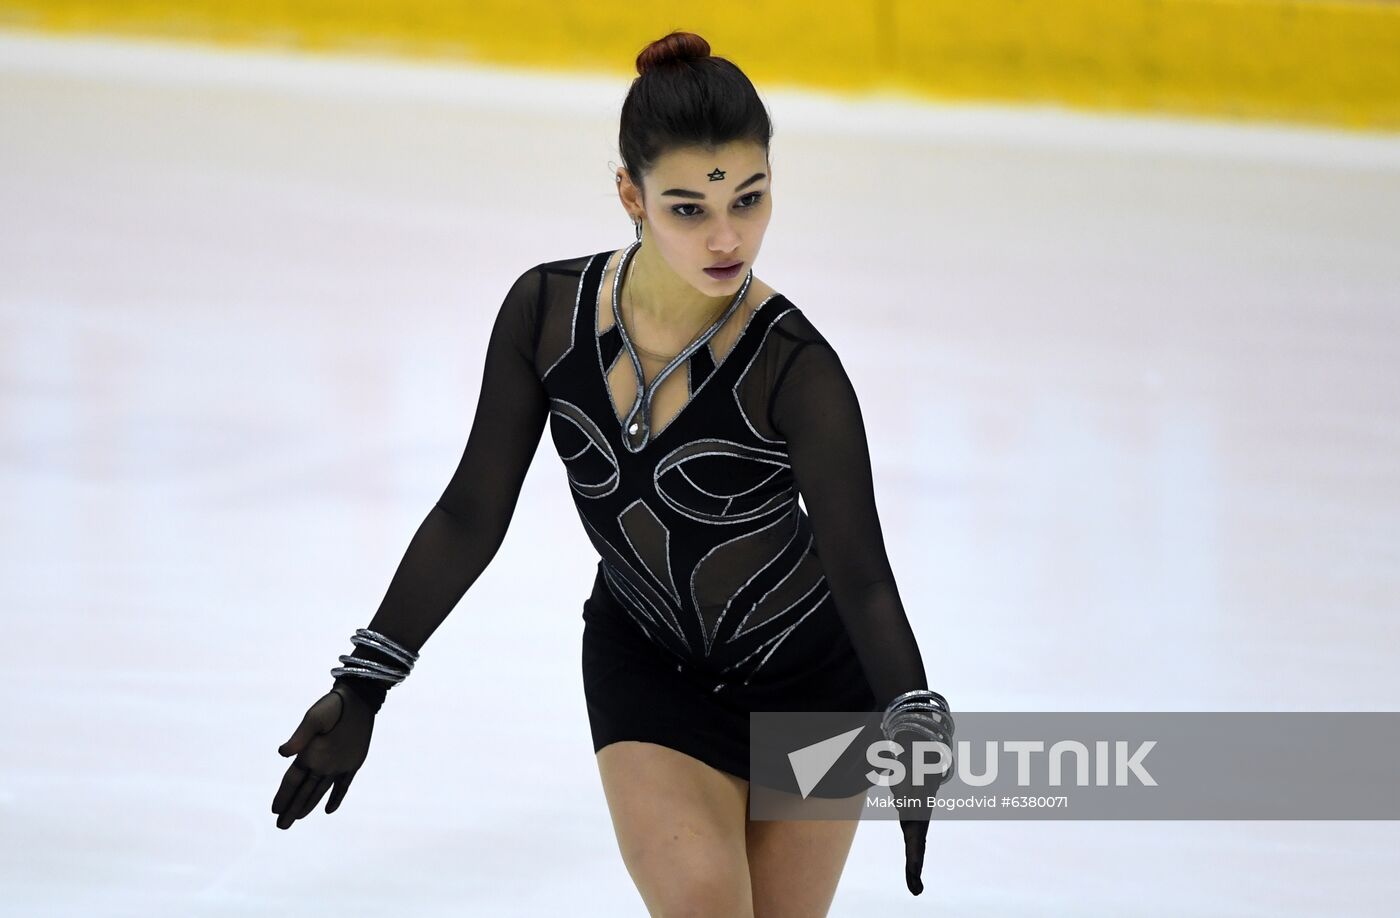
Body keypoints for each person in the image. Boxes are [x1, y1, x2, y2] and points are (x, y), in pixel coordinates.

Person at [271, 29, 952, 916]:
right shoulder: (544, 315)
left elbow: (860, 576)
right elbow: (472, 512)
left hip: (814, 690)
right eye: (687, 209)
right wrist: (365, 682)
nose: (726, 235)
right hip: (651, 668)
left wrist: (909, 713)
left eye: (749, 198)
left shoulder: (798, 370)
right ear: (630, 194)